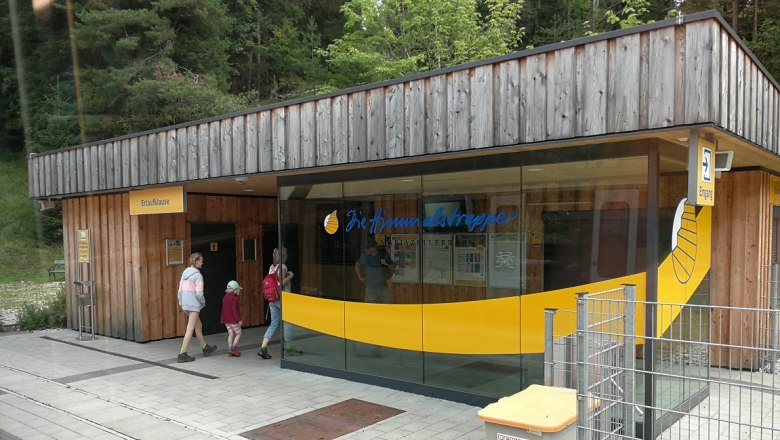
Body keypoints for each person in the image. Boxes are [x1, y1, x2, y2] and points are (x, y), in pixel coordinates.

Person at [177, 252, 217, 362]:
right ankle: (182, 353)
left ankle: (205, 347)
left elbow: (180, 291)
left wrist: (181, 303)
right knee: (190, 328)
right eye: (201, 261)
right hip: (194, 304)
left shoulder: (184, 273)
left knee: (198, 325)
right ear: (196, 261)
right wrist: (203, 303)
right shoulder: (198, 276)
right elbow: (199, 293)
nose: (202, 263)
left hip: (185, 304)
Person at [258, 247, 297, 359]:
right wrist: (290, 276)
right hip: (281, 299)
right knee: (287, 322)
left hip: (272, 300)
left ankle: (263, 347)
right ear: (283, 256)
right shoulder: (283, 267)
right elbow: (280, 284)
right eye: (286, 255)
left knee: (274, 323)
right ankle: (288, 348)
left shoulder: (272, 267)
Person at [355, 238, 396, 304]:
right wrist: (360, 277)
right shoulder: (364, 256)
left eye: (373, 250)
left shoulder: (382, 255)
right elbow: (356, 265)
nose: (370, 252)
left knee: (387, 307)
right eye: (369, 250)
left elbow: (393, 268)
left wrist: (386, 264)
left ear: (375, 248)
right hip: (370, 288)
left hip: (383, 287)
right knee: (370, 308)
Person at [221, 280, 243, 357]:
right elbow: (235, 311)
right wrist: (239, 320)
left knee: (230, 333)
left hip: (226, 320)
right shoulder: (233, 298)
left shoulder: (225, 297)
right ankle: (234, 348)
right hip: (233, 320)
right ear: (234, 290)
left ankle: (230, 348)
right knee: (239, 333)